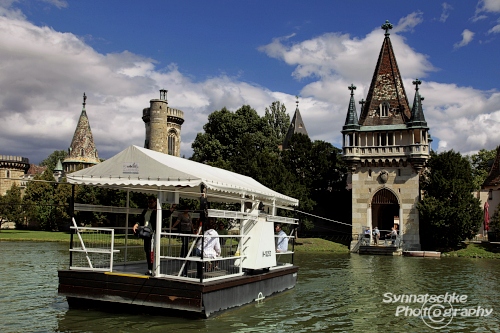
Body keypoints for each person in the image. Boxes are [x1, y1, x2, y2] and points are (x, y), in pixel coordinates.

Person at [133, 196, 175, 275]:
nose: (149, 204)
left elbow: (166, 213)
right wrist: (137, 224)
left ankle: (153, 269)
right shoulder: (146, 210)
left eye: (151, 202)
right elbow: (141, 218)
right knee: (147, 251)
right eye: (148, 202)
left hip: (153, 233)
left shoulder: (157, 211)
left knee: (152, 251)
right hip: (146, 232)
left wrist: (172, 208)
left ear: (155, 202)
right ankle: (150, 268)